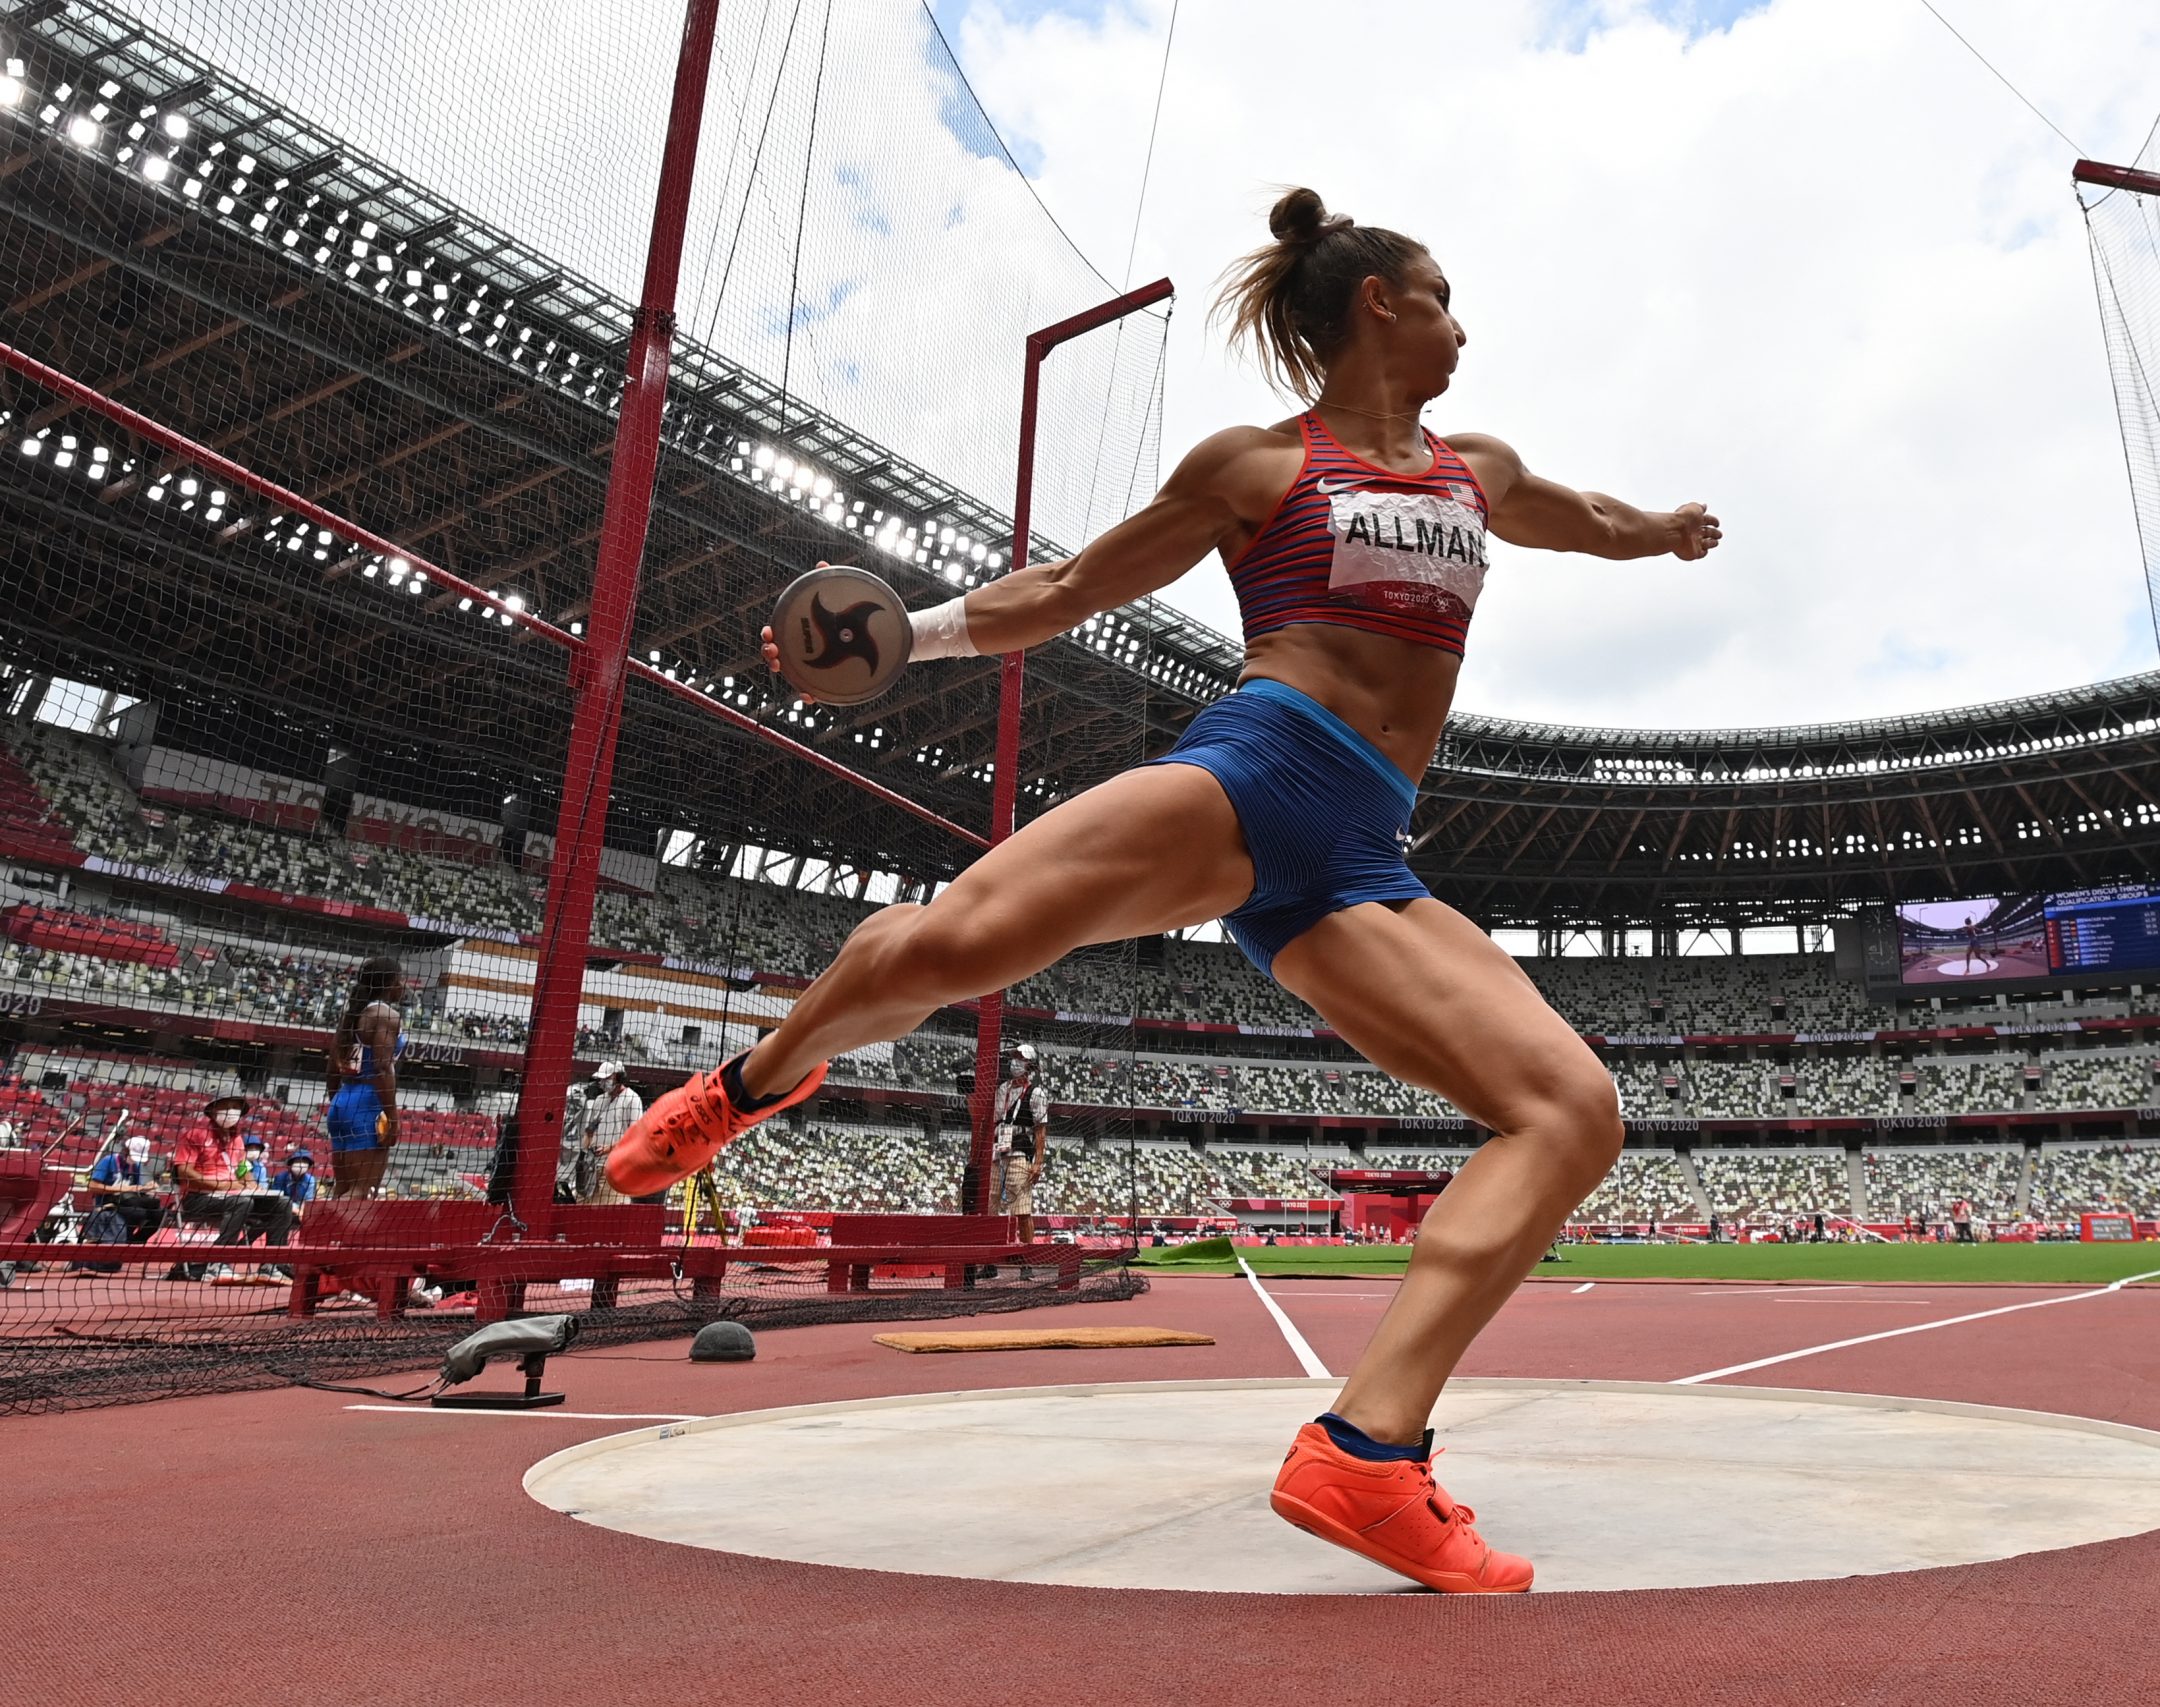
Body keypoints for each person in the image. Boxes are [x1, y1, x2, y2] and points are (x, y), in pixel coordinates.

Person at [609, 186, 1718, 1594]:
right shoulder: (1259, 465)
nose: (1460, 325)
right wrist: (914, 636)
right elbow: (1073, 584)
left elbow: (1590, 517)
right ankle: (754, 1082)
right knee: (953, 946)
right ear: (1376, 303)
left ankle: (1368, 1453)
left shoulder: (1475, 468)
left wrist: (1669, 529)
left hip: (1365, 855)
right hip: (1256, 769)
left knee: (1572, 1109)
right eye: (1440, 297)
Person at [170, 1094, 292, 1282]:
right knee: (241, 1202)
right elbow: (184, 1172)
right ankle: (217, 1263)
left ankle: (272, 1264)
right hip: (197, 1199)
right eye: (226, 1107)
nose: (231, 1112)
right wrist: (220, 1185)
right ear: (212, 1112)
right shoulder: (195, 1134)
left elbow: (242, 1169)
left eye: (235, 1108)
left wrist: (255, 1187)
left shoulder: (237, 1140)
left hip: (233, 1196)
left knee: (282, 1204)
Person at [325, 957, 405, 1200]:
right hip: (368, 1103)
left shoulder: (353, 1014)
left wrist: (338, 1102)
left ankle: (326, 1239)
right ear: (391, 983)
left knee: (342, 1189)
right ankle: (346, 1239)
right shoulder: (386, 1015)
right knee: (362, 1191)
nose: (403, 985)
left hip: (342, 1101)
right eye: (400, 979)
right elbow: (382, 1068)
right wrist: (393, 1117)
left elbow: (332, 1067)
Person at [994, 1043, 1050, 1245]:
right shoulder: (1002, 1089)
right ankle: (990, 1261)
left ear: (1030, 1065)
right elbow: (995, 1119)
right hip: (997, 1150)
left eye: (1021, 1058)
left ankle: (1027, 1261)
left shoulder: (1036, 1093)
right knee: (990, 1207)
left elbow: (1040, 1130)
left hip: (1019, 1153)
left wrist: (1038, 1162)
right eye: (1014, 1057)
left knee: (1022, 1209)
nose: (1015, 1061)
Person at [578, 1062, 643, 1206]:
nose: (602, 1083)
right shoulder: (600, 1100)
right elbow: (589, 1130)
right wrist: (585, 1150)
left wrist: (609, 1148)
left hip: (616, 1169)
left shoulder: (633, 1099)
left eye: (607, 1079)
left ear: (618, 1077)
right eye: (601, 1080)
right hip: (592, 1168)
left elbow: (635, 1138)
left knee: (606, 1211)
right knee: (582, 1208)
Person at [85, 1133, 166, 1245]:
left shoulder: (135, 1166)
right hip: (108, 1204)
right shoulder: (108, 1161)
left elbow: (134, 1190)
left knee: (159, 1213)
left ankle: (136, 1242)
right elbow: (92, 1186)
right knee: (138, 1213)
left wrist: (146, 1188)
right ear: (125, 1150)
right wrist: (121, 1189)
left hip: (127, 1203)